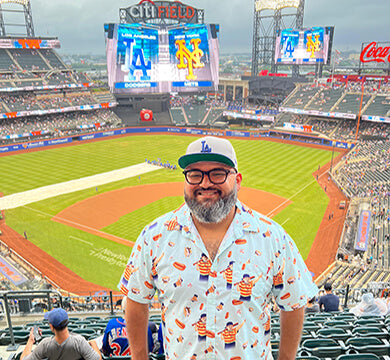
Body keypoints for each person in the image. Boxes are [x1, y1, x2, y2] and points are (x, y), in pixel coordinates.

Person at [119, 136, 318, 360]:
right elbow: (136, 299)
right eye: (195, 174)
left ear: (238, 180)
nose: (205, 183)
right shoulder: (154, 236)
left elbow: (294, 303)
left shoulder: (272, 237)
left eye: (218, 173)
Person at [20, 308, 101, 360]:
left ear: (51, 327)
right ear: (67, 322)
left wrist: (30, 341)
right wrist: (93, 343)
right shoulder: (79, 342)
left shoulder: (45, 344)